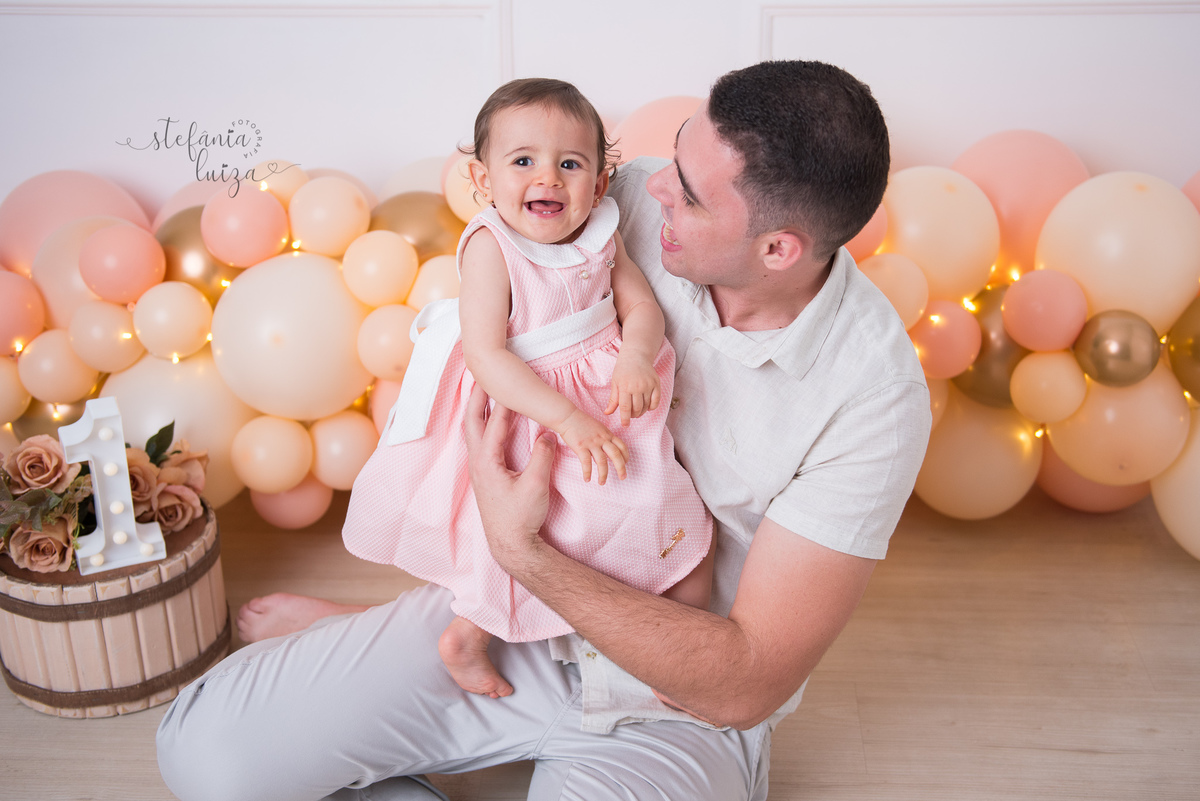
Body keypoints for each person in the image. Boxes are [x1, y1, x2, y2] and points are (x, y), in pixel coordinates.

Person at [157, 60, 931, 801]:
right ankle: (403, 642)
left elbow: (747, 678)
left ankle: (384, 666)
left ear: (778, 249)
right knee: (203, 757)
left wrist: (518, 547)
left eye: (691, 195)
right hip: (509, 616)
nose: (654, 184)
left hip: (674, 691)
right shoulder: (610, 200)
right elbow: (499, 286)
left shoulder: (873, 399)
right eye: (677, 151)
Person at [340, 78, 713, 699]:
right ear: (483, 180)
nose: (548, 179)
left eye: (570, 164)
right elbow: (486, 354)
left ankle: (675, 651)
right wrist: (566, 420)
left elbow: (641, 306)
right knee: (536, 532)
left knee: (662, 504)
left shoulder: (602, 230)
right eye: (522, 162)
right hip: (532, 405)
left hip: (606, 393)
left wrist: (637, 356)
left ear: (599, 183)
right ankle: (469, 634)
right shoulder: (492, 247)